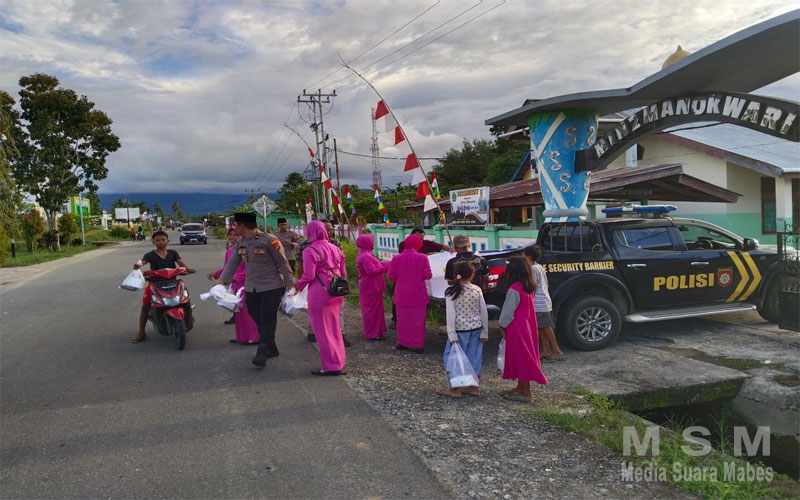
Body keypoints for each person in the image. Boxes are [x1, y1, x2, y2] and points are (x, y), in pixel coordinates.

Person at [216, 212, 296, 368]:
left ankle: (262, 351)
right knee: (255, 315)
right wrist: (222, 280)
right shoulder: (241, 242)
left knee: (267, 319)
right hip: (251, 287)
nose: (234, 228)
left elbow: (283, 262)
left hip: (271, 286)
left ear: (242, 226)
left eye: (235, 225)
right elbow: (233, 263)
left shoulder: (270, 240)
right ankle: (272, 347)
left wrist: (290, 284)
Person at [296, 221, 347, 376]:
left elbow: (308, 275)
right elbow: (343, 273)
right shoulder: (336, 248)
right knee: (334, 329)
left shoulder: (309, 250)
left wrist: (297, 287)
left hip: (319, 294)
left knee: (322, 331)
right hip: (336, 292)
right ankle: (338, 362)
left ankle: (330, 366)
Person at [497, 257, 548, 402]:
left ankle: (526, 392)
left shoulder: (514, 289)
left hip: (516, 328)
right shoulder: (528, 286)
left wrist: (501, 326)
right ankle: (520, 388)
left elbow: (507, 313)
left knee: (520, 359)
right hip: (528, 326)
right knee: (524, 357)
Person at [131, 230, 196, 343]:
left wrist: (187, 269)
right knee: (145, 306)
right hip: (155, 284)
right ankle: (141, 333)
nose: (160, 242)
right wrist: (138, 264)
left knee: (185, 299)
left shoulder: (173, 253)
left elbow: (180, 263)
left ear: (167, 241)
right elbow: (143, 261)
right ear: (153, 242)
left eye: (163, 240)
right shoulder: (150, 255)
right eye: (157, 240)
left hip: (173, 283)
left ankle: (189, 316)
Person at [437, 262, 488, 398]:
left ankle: (456, 389)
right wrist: (485, 331)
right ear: (472, 275)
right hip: (476, 329)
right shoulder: (477, 289)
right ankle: (473, 386)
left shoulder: (451, 292)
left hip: (459, 331)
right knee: (474, 357)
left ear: (455, 274)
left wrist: (452, 334)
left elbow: (450, 314)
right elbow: (483, 311)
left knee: (454, 358)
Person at [389, 227, 453, 329]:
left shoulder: (425, 244)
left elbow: (390, 275)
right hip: (411, 279)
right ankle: (396, 319)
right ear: (411, 236)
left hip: (408, 281)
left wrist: (450, 249)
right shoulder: (404, 246)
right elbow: (427, 274)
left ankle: (406, 324)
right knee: (404, 304)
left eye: (422, 238)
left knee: (403, 303)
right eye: (418, 238)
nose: (420, 240)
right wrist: (425, 255)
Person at [208, 227, 259, 344]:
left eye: (235, 234)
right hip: (235, 286)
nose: (232, 237)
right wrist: (216, 274)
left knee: (248, 312)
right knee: (238, 312)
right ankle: (242, 337)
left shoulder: (246, 250)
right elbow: (227, 268)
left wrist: (234, 278)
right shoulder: (230, 251)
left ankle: (254, 337)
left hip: (246, 285)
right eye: (230, 235)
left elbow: (249, 269)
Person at [387, 234, 432, 353]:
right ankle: (417, 344)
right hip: (418, 293)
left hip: (401, 294)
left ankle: (403, 343)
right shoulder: (422, 257)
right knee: (418, 321)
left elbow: (390, 276)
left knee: (402, 320)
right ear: (418, 245)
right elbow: (428, 275)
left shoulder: (396, 258)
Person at [523, 244, 565, 362]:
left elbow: (533, 286)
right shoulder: (539, 267)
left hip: (539, 302)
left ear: (528, 256)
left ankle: (556, 350)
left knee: (546, 327)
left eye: (523, 255)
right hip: (545, 300)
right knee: (541, 327)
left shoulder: (532, 269)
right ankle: (546, 349)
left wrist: (528, 298)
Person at [355, 234, 391, 340]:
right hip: (370, 286)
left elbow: (377, 264)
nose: (373, 244)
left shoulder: (365, 254)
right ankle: (373, 334)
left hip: (370, 286)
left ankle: (374, 331)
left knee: (374, 310)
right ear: (367, 243)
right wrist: (386, 268)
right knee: (372, 311)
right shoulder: (366, 256)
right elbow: (371, 271)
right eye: (372, 242)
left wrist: (391, 262)